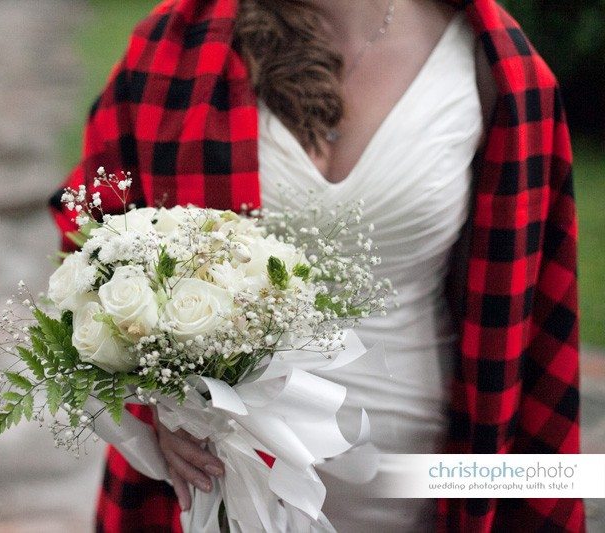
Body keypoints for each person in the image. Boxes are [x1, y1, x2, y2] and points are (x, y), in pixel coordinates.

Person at [50, 0, 584, 531]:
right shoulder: (175, 47)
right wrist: (156, 405)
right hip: (218, 482)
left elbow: (536, 311)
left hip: (426, 476)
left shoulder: (497, 68)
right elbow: (88, 244)